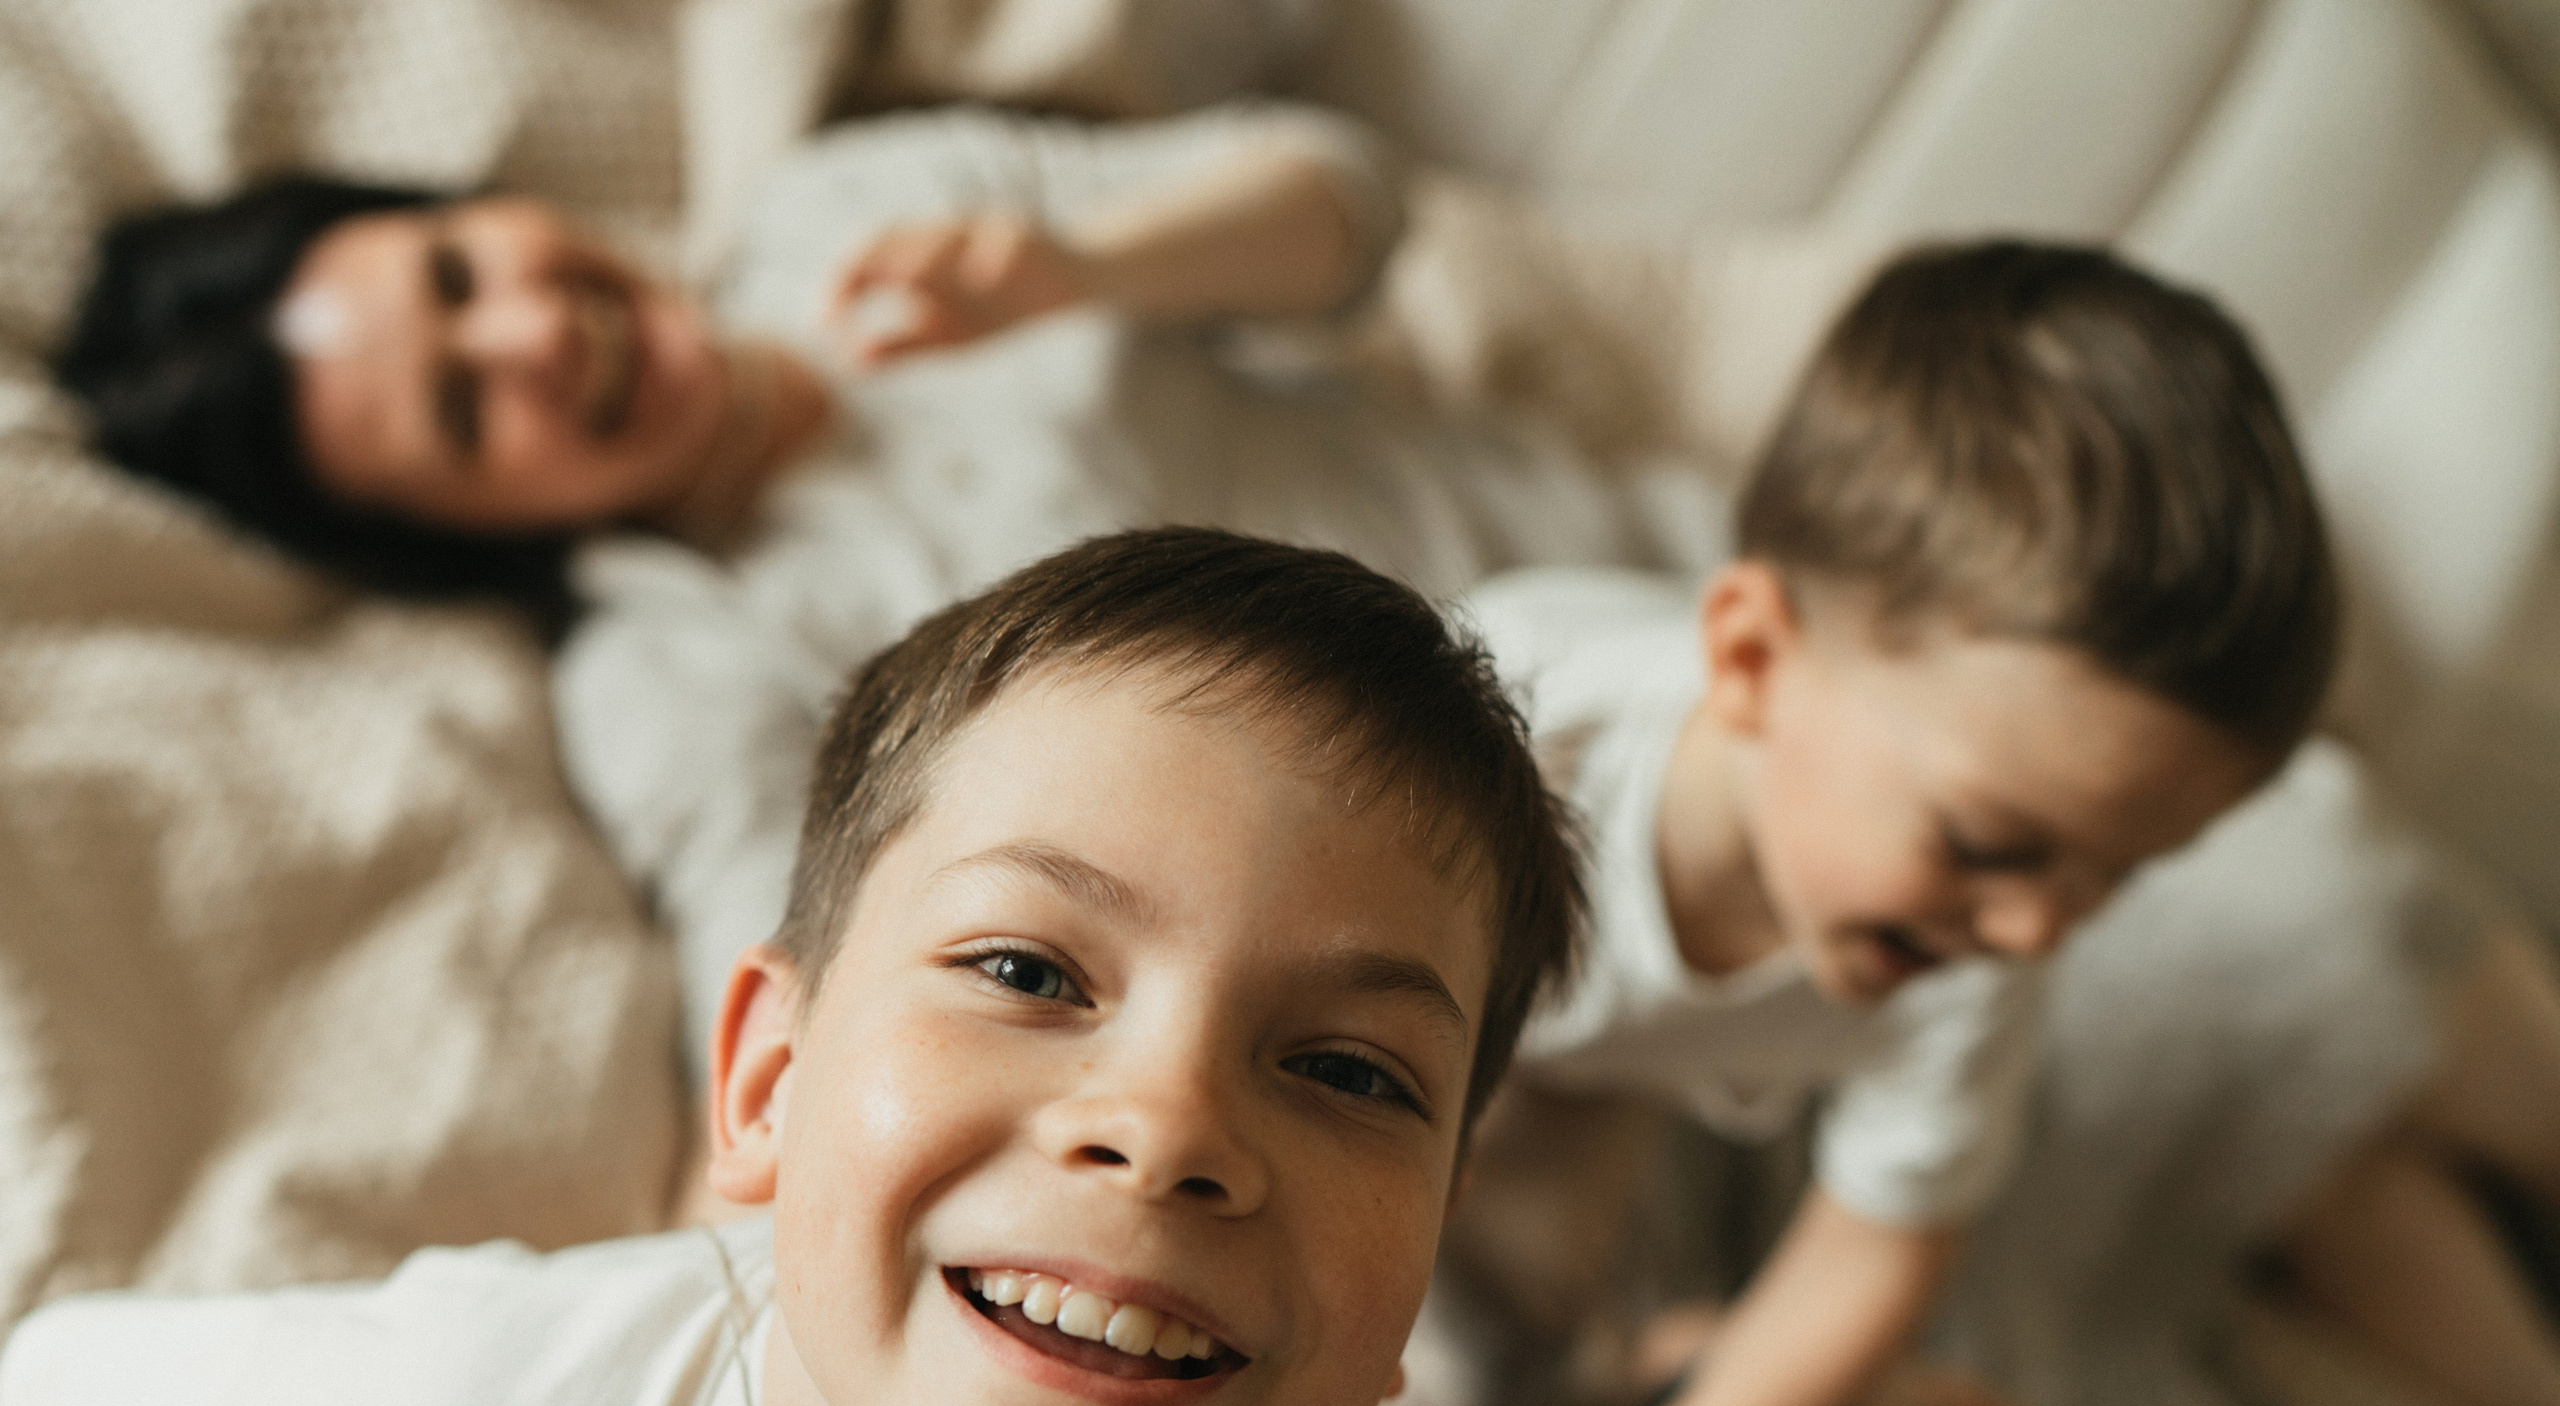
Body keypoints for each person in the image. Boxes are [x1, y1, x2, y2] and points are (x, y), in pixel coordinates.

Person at [0, 526, 1587, 1406]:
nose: (1167, 1127)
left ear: (1426, 1258)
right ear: (764, 1082)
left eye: (1348, 1071)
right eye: (1030, 969)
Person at [54, 103, 1711, 1056]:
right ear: (470, 534)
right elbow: (793, 971)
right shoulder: (670, 664)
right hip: (1555, 900)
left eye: (460, 270)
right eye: (468, 409)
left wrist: (1090, 262)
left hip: (1668, 568)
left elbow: (1352, 208)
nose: (537, 331)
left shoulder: (844, 206)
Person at [1433, 240, 2338, 1406]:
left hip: (1655, 1174)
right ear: (1749, 657)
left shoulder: (1976, 944)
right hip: (1434, 1104)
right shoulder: (1504, 740)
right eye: (1994, 841)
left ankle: (1715, 1390)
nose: (2045, 928)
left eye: (2115, 874)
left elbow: (1878, 1248)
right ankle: (1697, 1378)